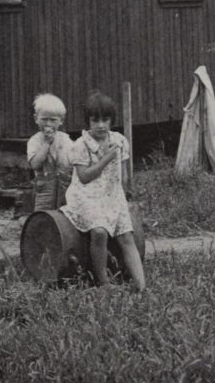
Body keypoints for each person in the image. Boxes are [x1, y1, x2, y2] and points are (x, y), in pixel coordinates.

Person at [61, 90, 146, 291]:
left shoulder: (119, 141)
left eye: (105, 120)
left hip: (111, 195)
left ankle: (142, 286)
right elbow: (84, 177)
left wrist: (122, 197)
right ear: (88, 121)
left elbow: (122, 176)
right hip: (85, 196)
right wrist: (107, 158)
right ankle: (104, 283)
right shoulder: (81, 145)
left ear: (111, 121)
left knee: (126, 236)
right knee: (99, 232)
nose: (101, 125)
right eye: (95, 120)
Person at [26, 93, 74, 211]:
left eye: (52, 120)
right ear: (36, 119)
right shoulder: (35, 141)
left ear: (61, 121)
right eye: (44, 119)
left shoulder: (66, 140)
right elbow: (35, 164)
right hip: (44, 188)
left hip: (65, 186)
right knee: (43, 215)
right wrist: (47, 143)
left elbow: (74, 162)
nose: (48, 124)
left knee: (64, 216)